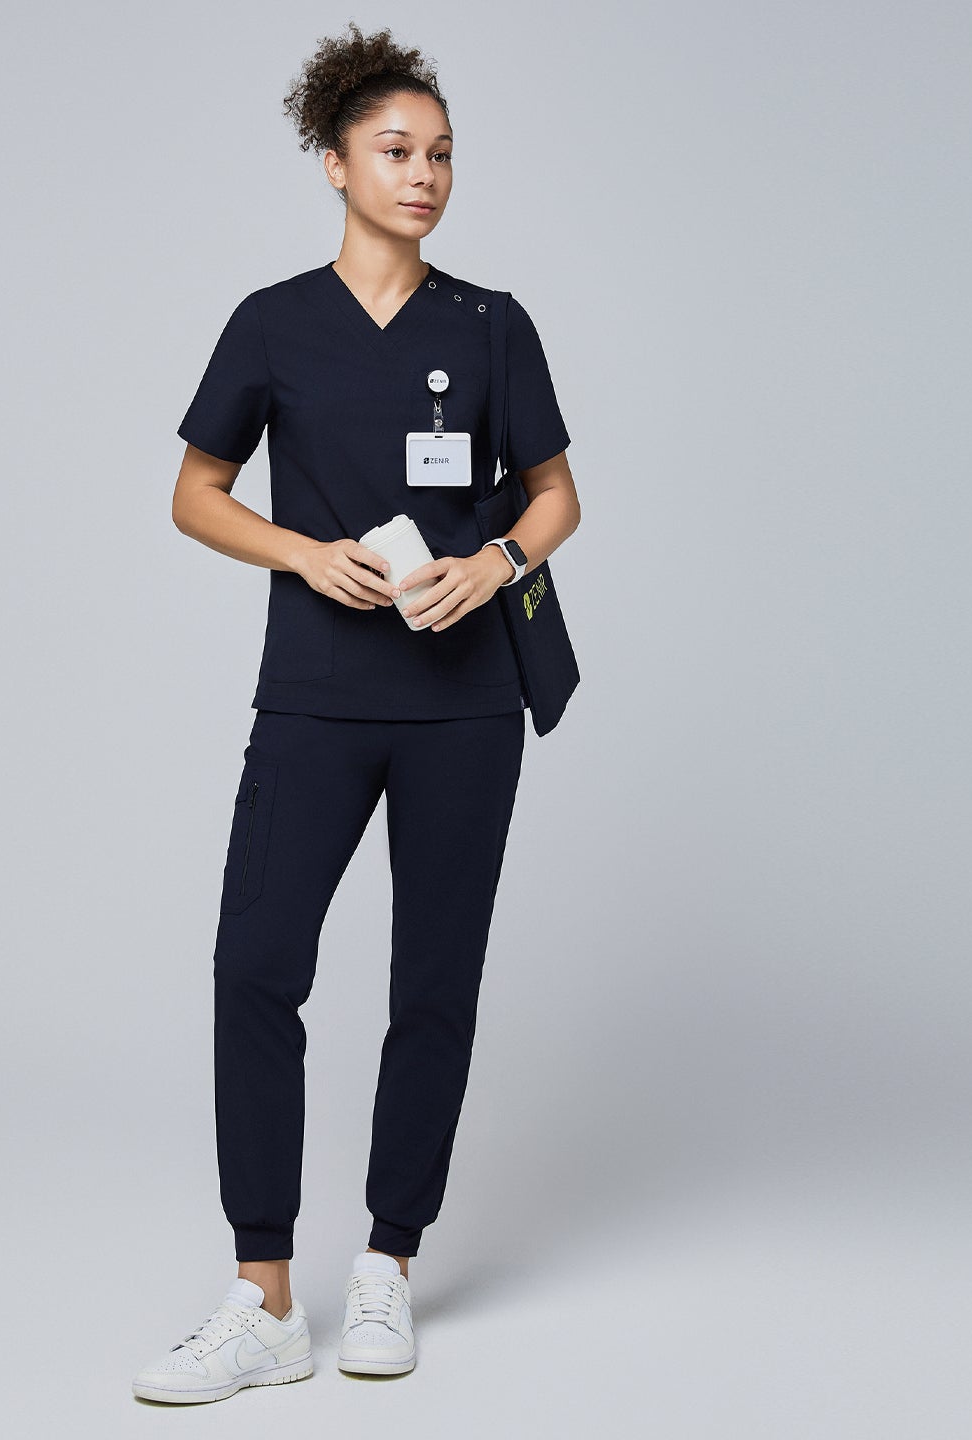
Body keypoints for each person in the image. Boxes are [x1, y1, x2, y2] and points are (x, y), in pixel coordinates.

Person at [133, 22, 580, 1405]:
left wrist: (496, 560)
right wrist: (302, 553)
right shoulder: (272, 322)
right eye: (396, 151)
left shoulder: (492, 324)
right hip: (318, 699)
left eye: (442, 154)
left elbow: (557, 495)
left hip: (465, 706)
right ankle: (264, 1295)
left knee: (433, 985)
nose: (425, 175)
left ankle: (387, 1264)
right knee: (258, 965)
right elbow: (195, 493)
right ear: (333, 164)